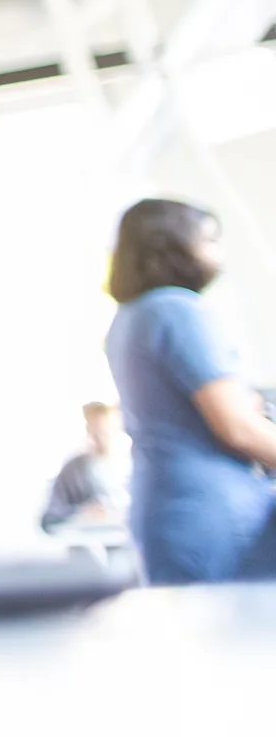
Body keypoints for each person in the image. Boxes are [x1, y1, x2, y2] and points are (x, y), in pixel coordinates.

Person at [105, 199, 276, 584]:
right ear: (174, 244)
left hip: (167, 510)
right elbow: (238, 426)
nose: (218, 253)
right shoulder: (178, 309)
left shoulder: (129, 318)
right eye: (210, 240)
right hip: (216, 514)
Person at [40, 402, 130, 533]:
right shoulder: (73, 470)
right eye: (96, 432)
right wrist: (81, 512)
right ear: (88, 430)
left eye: (106, 431)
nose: (101, 438)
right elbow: (49, 517)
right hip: (89, 543)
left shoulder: (133, 465)